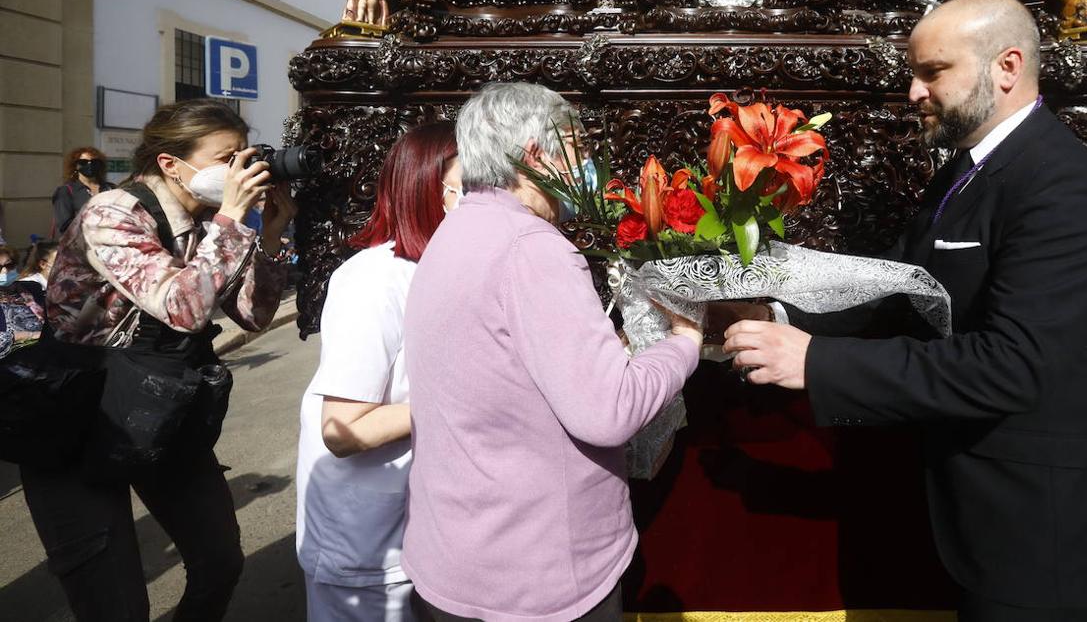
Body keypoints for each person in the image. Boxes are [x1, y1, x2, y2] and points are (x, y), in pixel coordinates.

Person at [722, 0, 1087, 621]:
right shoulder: (968, 170)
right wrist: (774, 317)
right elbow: (902, 290)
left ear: (1007, 66)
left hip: (1046, 525)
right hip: (983, 505)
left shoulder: (1067, 185)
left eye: (933, 72)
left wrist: (817, 362)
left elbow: (1013, 363)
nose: (914, 92)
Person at [401, 82, 703, 622]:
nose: (587, 163)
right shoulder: (532, 247)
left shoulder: (455, 229)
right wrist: (684, 341)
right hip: (536, 572)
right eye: (580, 147)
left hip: (456, 554)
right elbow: (610, 413)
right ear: (537, 155)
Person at [21, 98, 293, 622]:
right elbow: (185, 308)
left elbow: (255, 315)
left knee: (219, 562)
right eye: (226, 158)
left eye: (244, 155)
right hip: (78, 416)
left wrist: (272, 235)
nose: (241, 169)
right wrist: (234, 218)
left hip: (157, 410)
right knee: (114, 603)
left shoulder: (212, 220)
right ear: (172, 164)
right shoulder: (112, 214)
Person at [295, 122, 461, 622]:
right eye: (470, 188)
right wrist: (468, 401)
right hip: (364, 544)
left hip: (421, 525)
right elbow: (345, 429)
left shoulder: (446, 267)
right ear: (427, 189)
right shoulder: (374, 280)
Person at [51, 146, 117, 235]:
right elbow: (65, 226)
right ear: (75, 166)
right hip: (83, 245)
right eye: (83, 162)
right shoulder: (65, 191)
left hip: (111, 242)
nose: (89, 165)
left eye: (94, 162)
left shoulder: (111, 188)